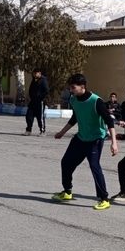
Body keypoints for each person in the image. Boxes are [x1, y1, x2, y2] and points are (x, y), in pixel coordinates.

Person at [52, 73, 118, 211]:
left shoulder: (96, 101)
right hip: (80, 138)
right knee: (66, 162)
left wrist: (114, 142)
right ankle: (67, 192)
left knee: (94, 166)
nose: (71, 90)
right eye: (70, 87)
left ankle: (104, 199)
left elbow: (109, 121)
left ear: (82, 87)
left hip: (95, 139)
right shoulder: (74, 100)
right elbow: (74, 118)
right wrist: (62, 132)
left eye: (73, 87)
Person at [24, 68, 48, 136]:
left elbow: (46, 91)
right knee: (29, 115)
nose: (34, 74)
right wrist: (31, 97)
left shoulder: (43, 80)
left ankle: (42, 131)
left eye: (35, 73)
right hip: (33, 101)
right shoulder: (34, 80)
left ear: (39, 73)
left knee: (39, 117)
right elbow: (31, 89)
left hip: (40, 102)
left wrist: (40, 98)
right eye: (33, 73)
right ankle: (28, 130)